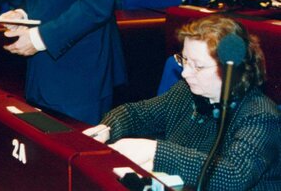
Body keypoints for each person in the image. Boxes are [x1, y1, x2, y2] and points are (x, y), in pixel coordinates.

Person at [85, 16, 280, 189]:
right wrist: (106, 128)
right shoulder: (186, 92)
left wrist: (155, 151)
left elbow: (234, 176)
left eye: (198, 66)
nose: (186, 73)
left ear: (233, 69)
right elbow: (137, 114)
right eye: (185, 60)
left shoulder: (260, 116)